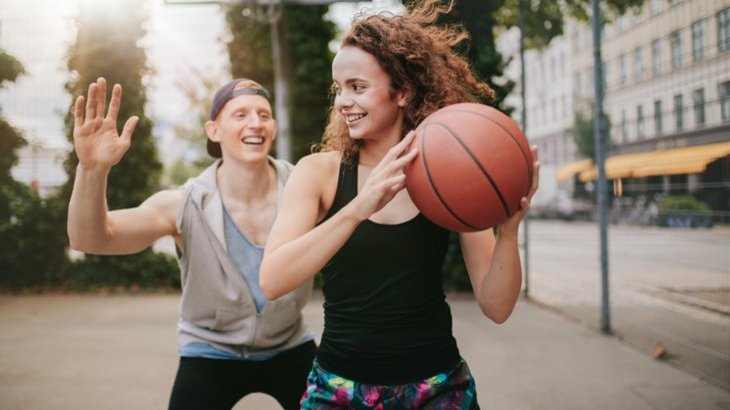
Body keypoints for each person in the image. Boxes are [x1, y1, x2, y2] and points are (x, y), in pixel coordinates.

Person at [258, 0, 540, 408]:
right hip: (340, 389)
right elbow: (272, 280)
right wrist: (358, 207)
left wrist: (508, 230)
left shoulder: (452, 175)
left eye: (358, 87)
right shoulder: (319, 172)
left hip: (436, 387)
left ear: (403, 91)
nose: (342, 101)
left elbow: (496, 306)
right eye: (339, 89)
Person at [67, 77, 315, 410]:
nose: (255, 123)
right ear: (214, 130)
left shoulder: (306, 186)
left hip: (290, 345)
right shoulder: (184, 204)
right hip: (210, 350)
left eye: (264, 114)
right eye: (240, 114)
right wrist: (91, 169)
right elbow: (91, 238)